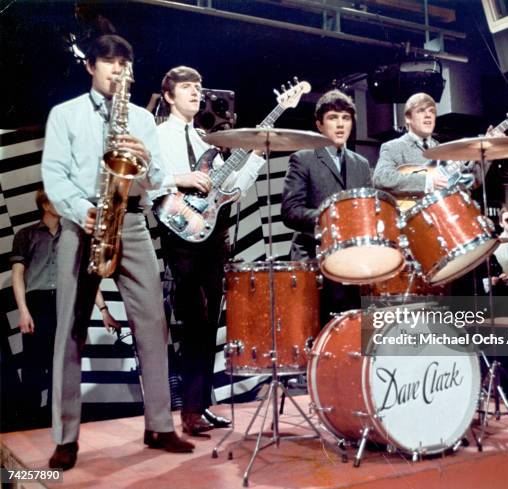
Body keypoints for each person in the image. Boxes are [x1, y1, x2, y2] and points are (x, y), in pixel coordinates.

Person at [41, 34, 194, 470]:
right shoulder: (64, 115)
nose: (116, 70)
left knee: (152, 327)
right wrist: (80, 210)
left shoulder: (143, 119)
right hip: (81, 221)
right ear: (91, 67)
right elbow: (53, 173)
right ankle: (65, 438)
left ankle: (160, 425)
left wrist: (146, 163)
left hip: (130, 220)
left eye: (123, 63)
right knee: (69, 331)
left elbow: (158, 179)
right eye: (108, 62)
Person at [155, 66, 263, 434]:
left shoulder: (206, 143)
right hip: (179, 235)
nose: (195, 93)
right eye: (187, 87)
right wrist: (178, 179)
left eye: (199, 87)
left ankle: (199, 407)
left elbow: (230, 190)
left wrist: (257, 157)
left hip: (212, 239)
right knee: (192, 321)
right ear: (169, 95)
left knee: (208, 324)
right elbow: (146, 181)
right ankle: (189, 410)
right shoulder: (157, 136)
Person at [10, 190, 120, 428]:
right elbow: (17, 275)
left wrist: (103, 309)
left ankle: (56, 418)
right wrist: (23, 311)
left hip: (66, 300)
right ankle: (28, 422)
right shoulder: (26, 235)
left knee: (63, 361)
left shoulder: (73, 236)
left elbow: (84, 276)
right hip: (37, 302)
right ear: (46, 205)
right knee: (34, 364)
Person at [281, 89, 371, 322]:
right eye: (333, 118)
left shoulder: (361, 164)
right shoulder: (303, 158)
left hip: (352, 261)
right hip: (313, 257)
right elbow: (290, 211)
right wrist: (331, 217)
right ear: (319, 125)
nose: (340, 124)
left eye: (346, 118)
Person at [372, 92, 481, 200]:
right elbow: (380, 178)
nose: (428, 115)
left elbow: (473, 183)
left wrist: (484, 156)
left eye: (432, 111)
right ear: (408, 118)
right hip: (411, 215)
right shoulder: (393, 147)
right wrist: (426, 182)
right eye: (421, 111)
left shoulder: (444, 150)